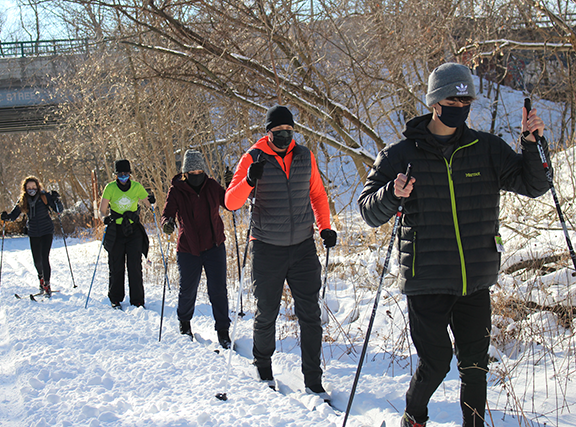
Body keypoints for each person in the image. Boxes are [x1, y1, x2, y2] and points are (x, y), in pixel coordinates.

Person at [358, 62, 551, 427]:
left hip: (475, 280)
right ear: (434, 102)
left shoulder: (486, 148)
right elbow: (368, 211)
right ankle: (414, 417)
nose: (460, 107)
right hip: (426, 280)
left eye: (467, 101)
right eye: (453, 99)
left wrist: (532, 144)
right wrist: (391, 193)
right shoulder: (400, 155)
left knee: (475, 368)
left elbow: (534, 184)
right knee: (436, 363)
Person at [225, 105, 337, 400]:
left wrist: (325, 227)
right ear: (268, 132)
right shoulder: (253, 157)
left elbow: (317, 194)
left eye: (289, 131)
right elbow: (231, 202)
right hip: (267, 248)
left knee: (311, 315)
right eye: (279, 132)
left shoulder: (305, 156)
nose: (285, 136)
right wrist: (250, 179)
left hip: (302, 248)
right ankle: (263, 366)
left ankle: (313, 379)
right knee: (267, 314)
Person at [160, 149, 233, 349]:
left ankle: (223, 331)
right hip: (188, 248)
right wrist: (167, 223)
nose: (196, 175)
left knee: (218, 290)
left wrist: (231, 184)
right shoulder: (176, 189)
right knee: (188, 289)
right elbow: (167, 213)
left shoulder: (211, 186)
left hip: (214, 245)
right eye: (192, 172)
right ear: (185, 173)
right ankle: (184, 323)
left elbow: (230, 203)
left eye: (200, 170)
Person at [100, 159, 155, 309]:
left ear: (130, 175)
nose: (123, 176)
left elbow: (149, 204)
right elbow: (102, 209)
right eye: (120, 174)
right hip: (116, 231)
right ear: (116, 175)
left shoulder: (137, 187)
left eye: (126, 174)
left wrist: (151, 201)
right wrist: (104, 218)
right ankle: (115, 298)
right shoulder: (110, 188)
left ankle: (137, 300)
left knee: (134, 266)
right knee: (116, 266)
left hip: (132, 230)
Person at [0, 176, 64, 297]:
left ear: (38, 186)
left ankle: (47, 284)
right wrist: (5, 217)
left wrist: (56, 200)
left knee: (44, 257)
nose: (31, 189)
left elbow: (59, 210)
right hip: (33, 232)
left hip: (46, 230)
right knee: (37, 260)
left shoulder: (45, 196)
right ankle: (41, 278)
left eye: (33, 187)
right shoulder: (23, 200)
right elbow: (14, 215)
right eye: (29, 187)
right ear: (25, 188)